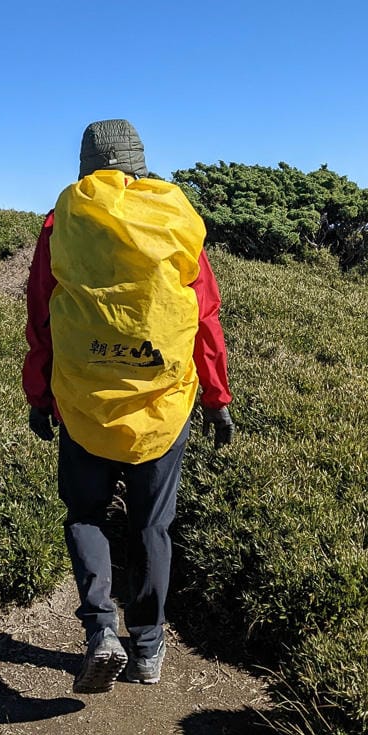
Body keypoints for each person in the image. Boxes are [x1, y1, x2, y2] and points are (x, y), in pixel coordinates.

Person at [23, 119, 234, 694]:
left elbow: (41, 315)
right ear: (140, 161)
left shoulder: (60, 223)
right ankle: (148, 647)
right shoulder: (177, 221)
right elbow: (204, 320)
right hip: (163, 405)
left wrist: (40, 394)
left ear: (87, 163)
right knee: (151, 524)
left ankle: (99, 632)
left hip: (84, 400)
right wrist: (215, 399)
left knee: (86, 515)